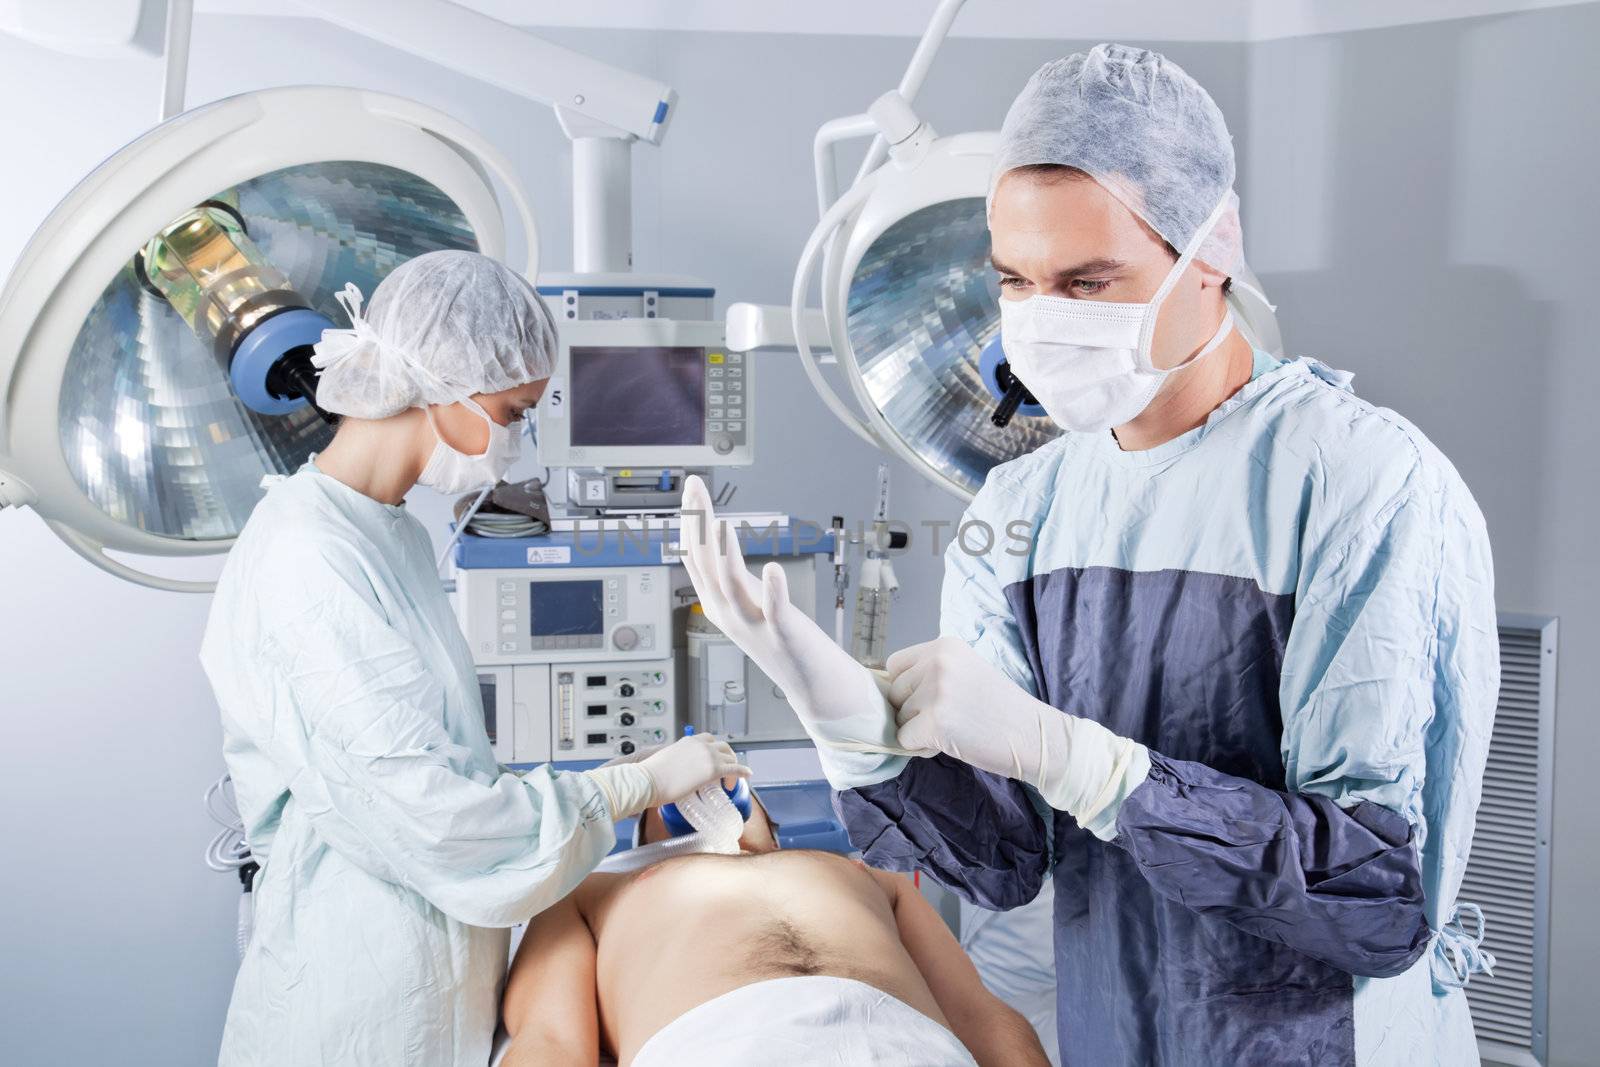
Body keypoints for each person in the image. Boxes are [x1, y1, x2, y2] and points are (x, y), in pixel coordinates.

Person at [678, 44, 1499, 1067]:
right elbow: (1004, 857)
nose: (1043, 319)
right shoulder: (1020, 506)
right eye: (1015, 280)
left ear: (1212, 251)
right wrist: (860, 737)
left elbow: (1370, 900)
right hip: (1114, 1029)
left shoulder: (1354, 482)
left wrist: (1083, 761)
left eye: (1089, 279)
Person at [200, 250, 747, 1066]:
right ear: (436, 383)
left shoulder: (392, 534)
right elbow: (440, 816)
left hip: (436, 984)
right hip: (351, 1009)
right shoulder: (305, 561)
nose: (518, 436)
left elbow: (440, 767)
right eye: (514, 408)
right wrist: (634, 783)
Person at [499, 784, 1050, 1067]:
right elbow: (550, 1041)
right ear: (646, 826)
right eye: (675, 780)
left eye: (724, 773)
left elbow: (980, 1014)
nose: (701, 785)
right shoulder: (592, 891)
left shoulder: (866, 874)